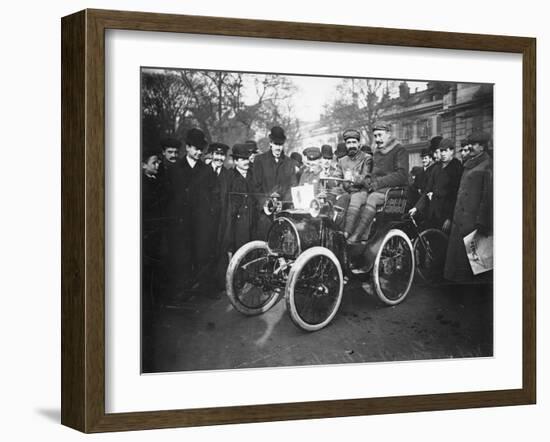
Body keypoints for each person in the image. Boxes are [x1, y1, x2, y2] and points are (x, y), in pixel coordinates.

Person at [163, 127, 208, 299]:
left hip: (200, 223)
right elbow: (168, 197)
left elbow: (212, 197)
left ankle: (196, 289)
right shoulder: (175, 170)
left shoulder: (206, 170)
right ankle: (180, 290)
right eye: (195, 148)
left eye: (201, 149)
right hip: (179, 223)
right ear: (187, 148)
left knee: (199, 254)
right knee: (181, 257)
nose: (199, 152)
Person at [444, 131, 493, 283]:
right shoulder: (470, 165)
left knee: (476, 267)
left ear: (482, 147)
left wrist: (482, 222)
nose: (470, 147)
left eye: (474, 144)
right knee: (459, 265)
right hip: (460, 220)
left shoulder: (487, 165)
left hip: (473, 222)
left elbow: (488, 197)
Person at [348, 122, 408, 243]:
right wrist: (364, 181)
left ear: (388, 134)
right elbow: (373, 174)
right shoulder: (377, 152)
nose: (377, 139)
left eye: (380, 135)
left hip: (394, 191)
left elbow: (402, 175)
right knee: (354, 197)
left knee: (372, 198)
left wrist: (378, 183)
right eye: (375, 136)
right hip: (377, 188)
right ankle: (347, 232)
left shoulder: (399, 150)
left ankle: (358, 236)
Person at [190, 142, 230, 296]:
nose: (219, 158)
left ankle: (218, 284)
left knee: (219, 252)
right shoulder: (203, 172)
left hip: (221, 221)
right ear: (212, 155)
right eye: (217, 154)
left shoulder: (227, 175)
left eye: (222, 155)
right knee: (205, 253)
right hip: (205, 222)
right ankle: (205, 286)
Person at [252, 126, 298, 239]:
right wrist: (266, 203)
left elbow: (293, 187)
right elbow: (255, 186)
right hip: (265, 214)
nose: (278, 148)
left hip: (283, 213)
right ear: (270, 143)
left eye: (280, 144)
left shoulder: (290, 163)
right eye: (276, 144)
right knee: (264, 243)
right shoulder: (260, 160)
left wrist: (283, 203)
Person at [409, 138, 463, 232]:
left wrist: (449, 218)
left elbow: (455, 196)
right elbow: (427, 190)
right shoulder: (436, 168)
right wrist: (416, 208)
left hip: (446, 216)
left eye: (445, 151)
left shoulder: (457, 168)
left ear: (452, 151)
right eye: (441, 151)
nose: (443, 154)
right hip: (433, 214)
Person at [222, 143, 257, 258]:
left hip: (254, 224)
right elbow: (227, 207)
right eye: (242, 159)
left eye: (247, 158)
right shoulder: (229, 177)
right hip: (238, 227)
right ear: (235, 161)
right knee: (239, 257)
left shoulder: (254, 175)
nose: (246, 162)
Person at [338, 128, 372, 239]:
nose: (351, 145)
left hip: (362, 191)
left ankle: (347, 233)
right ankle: (335, 228)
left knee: (355, 198)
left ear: (359, 143)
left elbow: (366, 178)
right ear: (345, 145)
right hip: (347, 192)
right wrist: (329, 181)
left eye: (354, 142)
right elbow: (336, 177)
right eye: (348, 143)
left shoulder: (367, 158)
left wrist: (352, 177)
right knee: (336, 199)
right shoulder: (342, 161)